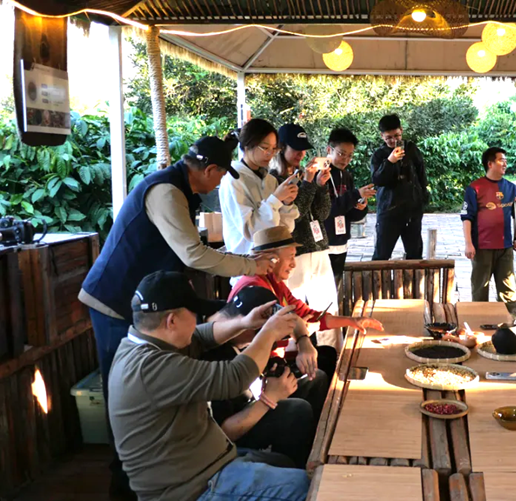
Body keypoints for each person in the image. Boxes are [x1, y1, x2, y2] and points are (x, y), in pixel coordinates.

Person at [79, 135, 275, 499]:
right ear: (209, 169)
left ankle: (173, 465)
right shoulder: (166, 192)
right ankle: (127, 489)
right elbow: (193, 255)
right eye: (221, 176)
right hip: (114, 302)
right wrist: (250, 265)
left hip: (142, 304)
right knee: (123, 398)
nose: (220, 184)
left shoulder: (183, 190)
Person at [107, 271, 309, 501]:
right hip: (193, 488)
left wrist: (244, 322)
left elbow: (201, 336)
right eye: (194, 313)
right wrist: (269, 332)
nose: (199, 320)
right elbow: (235, 376)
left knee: (284, 463)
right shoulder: (150, 368)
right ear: (171, 321)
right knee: (306, 488)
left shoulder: (140, 344)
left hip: (207, 465)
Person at [231, 226, 384, 378]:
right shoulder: (255, 288)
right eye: (291, 257)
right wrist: (302, 335)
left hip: (275, 357)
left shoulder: (275, 283)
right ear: (272, 259)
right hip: (258, 368)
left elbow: (307, 314)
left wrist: (352, 321)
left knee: (327, 354)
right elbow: (265, 336)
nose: (294, 264)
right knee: (319, 375)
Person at [203, 286, 329, 468]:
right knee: (297, 411)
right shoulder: (214, 360)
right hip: (236, 428)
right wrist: (270, 397)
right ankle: (300, 470)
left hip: (256, 396)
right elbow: (224, 432)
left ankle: (318, 448)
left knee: (315, 379)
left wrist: (303, 341)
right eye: (262, 333)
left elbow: (294, 320)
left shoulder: (227, 313)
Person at [270, 123, 340, 350]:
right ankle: (291, 358)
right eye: (296, 148)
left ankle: (332, 356)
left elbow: (322, 213)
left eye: (303, 149)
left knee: (328, 307)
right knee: (293, 311)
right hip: (294, 252)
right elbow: (295, 214)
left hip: (318, 247)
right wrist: (309, 183)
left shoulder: (303, 175)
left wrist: (320, 186)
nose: (301, 154)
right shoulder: (274, 180)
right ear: (281, 148)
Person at [219, 119, 301, 284]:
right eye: (265, 147)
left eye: (274, 149)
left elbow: (284, 231)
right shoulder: (233, 180)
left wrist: (286, 204)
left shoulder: (270, 180)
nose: (269, 154)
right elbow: (251, 231)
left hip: (274, 269)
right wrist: (275, 200)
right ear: (247, 146)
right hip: (247, 270)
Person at [461, 147, 516, 318]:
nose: (505, 163)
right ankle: (480, 322)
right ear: (490, 164)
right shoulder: (474, 188)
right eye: (501, 160)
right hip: (482, 247)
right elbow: (467, 218)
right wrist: (468, 244)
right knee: (480, 288)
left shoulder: (512, 189)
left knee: (508, 289)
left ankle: (510, 323)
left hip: (505, 247)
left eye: (506, 160)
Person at [370, 114, 428, 261]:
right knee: (381, 255)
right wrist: (390, 161)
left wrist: (422, 198)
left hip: (412, 210)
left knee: (415, 255)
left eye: (397, 136)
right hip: (388, 210)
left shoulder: (411, 149)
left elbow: (421, 175)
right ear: (382, 136)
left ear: (401, 130)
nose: (393, 140)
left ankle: (413, 278)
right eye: (389, 137)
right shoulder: (379, 155)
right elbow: (377, 180)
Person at [323, 128, 376, 289]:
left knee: (335, 290)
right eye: (341, 154)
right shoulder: (319, 175)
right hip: (322, 243)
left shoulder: (346, 176)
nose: (345, 159)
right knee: (321, 292)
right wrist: (356, 194)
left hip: (341, 241)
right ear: (329, 149)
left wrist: (361, 206)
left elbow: (351, 214)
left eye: (350, 155)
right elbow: (326, 210)